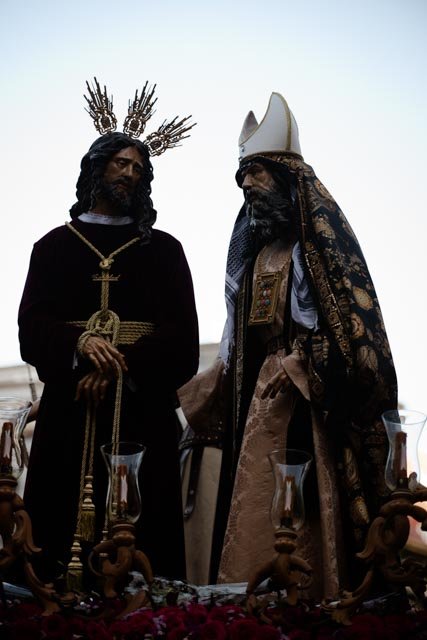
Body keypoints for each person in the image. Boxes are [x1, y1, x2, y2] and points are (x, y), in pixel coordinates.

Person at [179, 93, 397, 599]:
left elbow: (351, 334)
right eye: (242, 177)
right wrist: (195, 392)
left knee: (309, 504)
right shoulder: (254, 260)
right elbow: (236, 347)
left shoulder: (315, 252)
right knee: (253, 498)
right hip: (260, 400)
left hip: (307, 400)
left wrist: (301, 362)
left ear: (284, 179)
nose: (246, 185)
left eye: (256, 173)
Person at [19, 125, 199, 583]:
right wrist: (80, 344)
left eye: (139, 168)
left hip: (142, 414)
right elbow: (31, 329)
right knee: (57, 540)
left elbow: (183, 342)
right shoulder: (52, 247)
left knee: (147, 540)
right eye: (121, 163)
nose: (130, 173)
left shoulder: (165, 251)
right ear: (97, 169)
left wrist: (118, 366)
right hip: (69, 411)